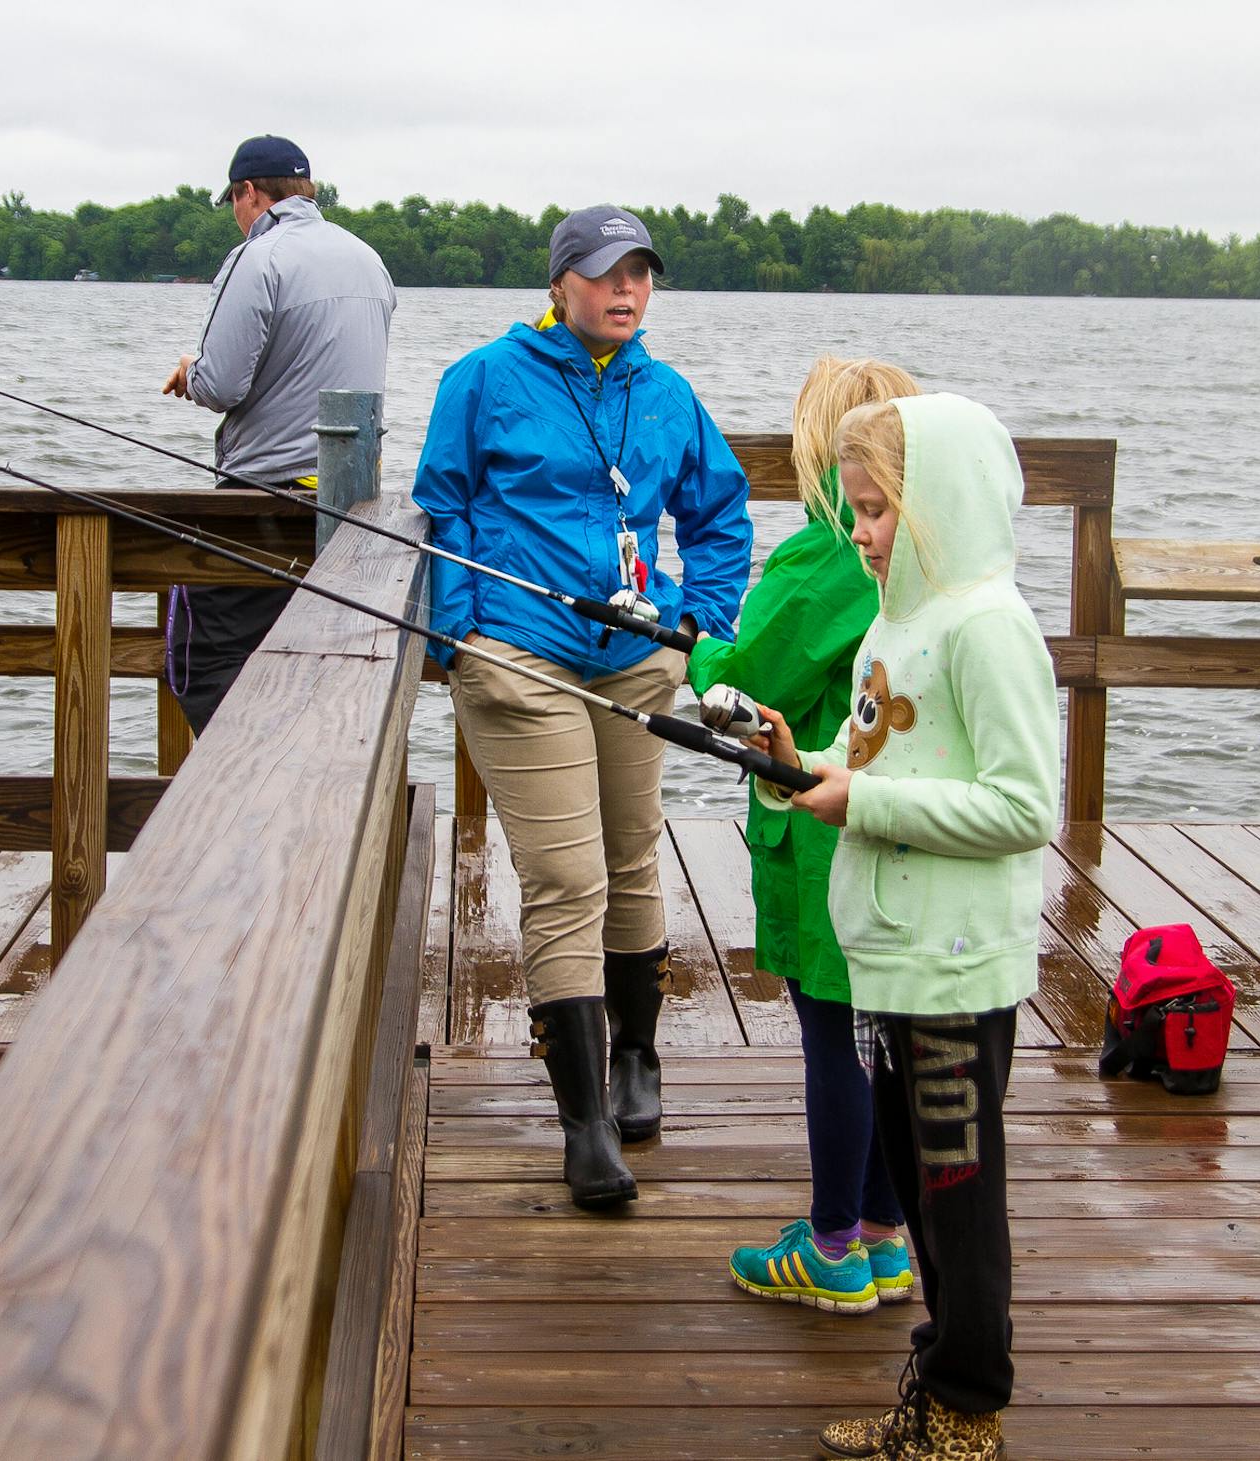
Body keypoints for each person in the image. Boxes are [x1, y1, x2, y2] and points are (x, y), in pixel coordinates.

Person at [736, 393, 1057, 1461]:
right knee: (919, 1187)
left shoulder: (988, 629)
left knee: (960, 1202)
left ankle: (970, 1411)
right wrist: (802, 761)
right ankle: (939, 1383)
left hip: (957, 967)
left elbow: (1024, 809)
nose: (859, 531)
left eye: (874, 512)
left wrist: (859, 805)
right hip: (894, 960)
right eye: (857, 510)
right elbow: (874, 754)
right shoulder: (896, 618)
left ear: (938, 506)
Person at [413, 206, 752, 1208]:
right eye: (606, 274)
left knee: (631, 851)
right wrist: (461, 639)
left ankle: (638, 1059)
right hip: (523, 662)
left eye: (641, 274)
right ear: (561, 284)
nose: (626, 291)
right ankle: (584, 1120)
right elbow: (443, 509)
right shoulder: (483, 380)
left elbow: (720, 515)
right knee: (567, 876)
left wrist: (700, 626)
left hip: (638, 660)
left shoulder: (667, 393)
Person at [688, 358, 921, 1316]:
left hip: (830, 834)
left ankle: (829, 1247)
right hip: (904, 833)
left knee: (836, 1034)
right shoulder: (918, 543)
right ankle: (882, 1235)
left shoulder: (826, 550)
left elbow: (748, 677)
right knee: (890, 1037)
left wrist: (698, 641)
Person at [160, 134, 396, 732]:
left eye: (235, 203)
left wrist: (193, 372)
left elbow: (221, 387)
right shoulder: (366, 257)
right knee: (316, 665)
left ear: (248, 193)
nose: (237, 219)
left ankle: (234, 792)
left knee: (197, 656)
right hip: (351, 505)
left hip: (266, 499)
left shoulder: (257, 258)